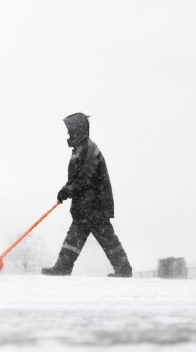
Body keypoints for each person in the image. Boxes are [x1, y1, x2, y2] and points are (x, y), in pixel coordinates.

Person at [42, 113, 132, 277]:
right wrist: (65, 189)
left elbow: (85, 176)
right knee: (75, 237)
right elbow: (76, 178)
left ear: (79, 130)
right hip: (84, 206)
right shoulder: (80, 149)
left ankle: (124, 269)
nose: (69, 134)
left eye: (71, 130)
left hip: (95, 205)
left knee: (106, 237)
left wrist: (69, 190)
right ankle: (63, 267)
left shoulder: (89, 149)